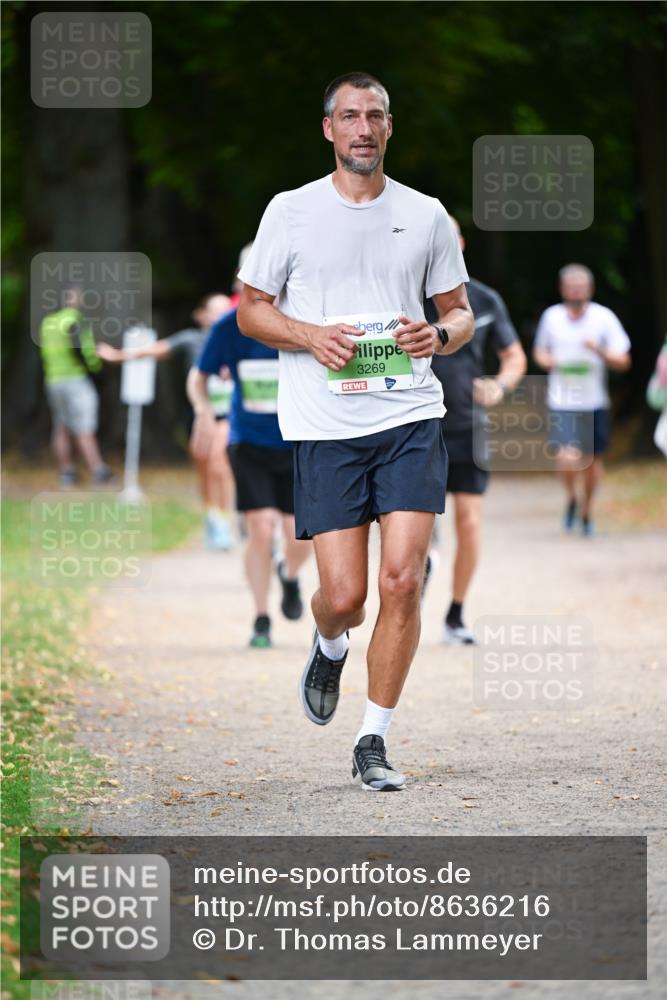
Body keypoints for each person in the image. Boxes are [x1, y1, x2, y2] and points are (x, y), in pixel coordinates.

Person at [237, 72, 474, 790]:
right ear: (329, 129)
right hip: (324, 425)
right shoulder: (291, 211)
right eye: (349, 116)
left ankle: (372, 740)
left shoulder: (426, 213)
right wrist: (310, 336)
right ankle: (329, 643)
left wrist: (436, 332)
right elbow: (251, 310)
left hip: (407, 416)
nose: (362, 127)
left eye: (374, 115)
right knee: (345, 596)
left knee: (402, 580)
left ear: (388, 128)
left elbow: (460, 312)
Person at [187, 269, 311, 648]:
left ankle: (288, 575)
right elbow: (199, 376)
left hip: (299, 442)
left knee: (300, 536)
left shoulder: (307, 318)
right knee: (259, 529)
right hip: (249, 441)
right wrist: (204, 411)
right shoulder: (229, 326)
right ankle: (261, 617)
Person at [424, 218, 527, 644]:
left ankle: (455, 613)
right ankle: (422, 564)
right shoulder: (404, 297)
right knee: (417, 523)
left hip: (468, 426)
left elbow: (514, 356)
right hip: (419, 427)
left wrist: (500, 385)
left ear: (460, 244)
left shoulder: (484, 300)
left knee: (468, 520)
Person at [98, 294, 236, 550]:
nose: (220, 317)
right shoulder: (191, 340)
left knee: (220, 462)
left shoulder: (239, 339)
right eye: (214, 312)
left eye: (225, 311)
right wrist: (118, 356)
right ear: (201, 315)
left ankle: (224, 521)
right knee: (205, 467)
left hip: (227, 414)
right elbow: (155, 350)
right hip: (197, 414)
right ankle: (211, 516)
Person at [533, 264, 631, 536]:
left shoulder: (604, 318)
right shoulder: (552, 317)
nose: (576, 292)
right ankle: (571, 497)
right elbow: (540, 351)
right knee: (566, 457)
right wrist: (547, 361)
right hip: (562, 400)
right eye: (571, 287)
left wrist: (598, 349)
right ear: (563, 289)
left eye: (581, 287)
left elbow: (624, 360)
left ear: (590, 289)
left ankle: (587, 509)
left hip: (594, 401)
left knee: (592, 463)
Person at [39, 286, 113, 487]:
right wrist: (96, 370)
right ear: (70, 298)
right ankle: (98, 470)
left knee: (61, 426)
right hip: (75, 378)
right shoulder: (75, 319)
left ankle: (66, 473)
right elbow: (81, 348)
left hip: (53, 379)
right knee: (84, 425)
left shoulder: (48, 322)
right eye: (78, 295)